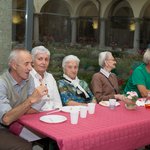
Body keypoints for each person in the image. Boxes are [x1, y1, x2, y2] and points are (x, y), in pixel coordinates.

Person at [0, 48, 48, 150]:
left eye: (31, 63)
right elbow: (6, 119)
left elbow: (30, 109)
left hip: (18, 122)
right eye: (26, 64)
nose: (30, 68)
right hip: (3, 128)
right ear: (14, 65)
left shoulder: (28, 78)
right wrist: (31, 100)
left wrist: (40, 99)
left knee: (48, 134)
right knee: (24, 146)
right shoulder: (2, 83)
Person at [30, 45, 62, 111]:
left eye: (46, 59)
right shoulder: (28, 77)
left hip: (53, 114)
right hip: (36, 115)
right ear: (32, 62)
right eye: (40, 59)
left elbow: (57, 101)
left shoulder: (50, 77)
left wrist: (58, 113)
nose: (44, 62)